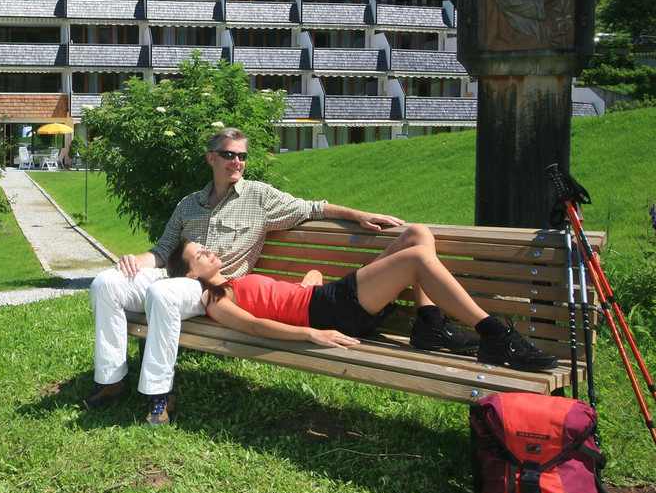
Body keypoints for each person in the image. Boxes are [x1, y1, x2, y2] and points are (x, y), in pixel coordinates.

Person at [83, 127, 422, 426]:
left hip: (213, 289)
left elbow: (312, 207)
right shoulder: (188, 204)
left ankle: (159, 394)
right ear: (211, 158)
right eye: (229, 155)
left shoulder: (259, 197)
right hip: (176, 274)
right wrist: (135, 261)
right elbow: (162, 249)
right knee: (106, 283)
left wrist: (358, 215)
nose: (237, 162)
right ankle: (112, 379)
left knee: (163, 295)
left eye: (242, 156)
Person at [166, 238, 559, 372]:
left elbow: (289, 292)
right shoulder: (215, 298)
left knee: (417, 234)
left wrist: (307, 281)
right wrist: (311, 333)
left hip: (327, 298)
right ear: (190, 273)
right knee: (416, 258)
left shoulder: (234, 281)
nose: (209, 251)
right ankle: (496, 335)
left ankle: (429, 325)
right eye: (200, 254)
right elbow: (254, 326)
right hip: (330, 312)